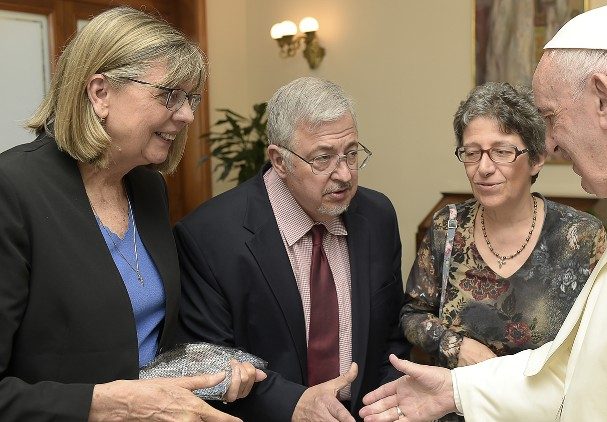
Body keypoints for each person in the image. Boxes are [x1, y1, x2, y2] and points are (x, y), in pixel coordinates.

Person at [359, 3, 607, 421]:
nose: (552, 145)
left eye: (551, 117)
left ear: (603, 99)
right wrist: (458, 388)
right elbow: (583, 369)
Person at [0, 7, 264, 421]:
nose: (188, 116)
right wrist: (108, 404)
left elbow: (144, 342)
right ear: (100, 92)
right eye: (169, 95)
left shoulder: (147, 188)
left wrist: (203, 369)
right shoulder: (12, 191)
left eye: (190, 98)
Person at [173, 76, 411, 421]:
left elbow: (391, 335)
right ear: (279, 160)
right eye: (323, 158)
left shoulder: (377, 216)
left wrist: (385, 406)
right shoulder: (210, 235)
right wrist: (291, 404)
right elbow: (206, 360)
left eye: (352, 153)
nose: (344, 174)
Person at [401, 82, 607, 421]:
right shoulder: (447, 227)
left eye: (502, 151)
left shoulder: (581, 237)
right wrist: (455, 345)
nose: (483, 167)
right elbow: (413, 313)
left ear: (537, 158)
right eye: (472, 152)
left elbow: (598, 347)